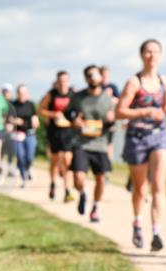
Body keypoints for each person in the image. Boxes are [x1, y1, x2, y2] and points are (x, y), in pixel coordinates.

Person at [115, 39, 166, 251]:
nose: (152, 56)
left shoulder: (165, 81)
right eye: (148, 52)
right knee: (140, 188)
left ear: (161, 55)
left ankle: (157, 232)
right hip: (136, 136)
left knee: (159, 185)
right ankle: (138, 223)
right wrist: (145, 111)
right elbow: (119, 112)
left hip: (159, 135)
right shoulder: (134, 82)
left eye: (156, 52)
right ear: (142, 55)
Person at [67, 65, 115, 221]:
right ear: (86, 78)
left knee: (101, 178)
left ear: (101, 77)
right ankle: (82, 193)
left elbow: (114, 122)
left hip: (100, 144)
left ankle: (95, 207)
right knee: (78, 178)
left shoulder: (108, 100)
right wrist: (74, 120)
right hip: (81, 143)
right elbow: (68, 112)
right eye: (89, 75)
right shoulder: (78, 97)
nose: (92, 78)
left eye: (95, 75)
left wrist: (110, 121)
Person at [38, 71, 75, 202]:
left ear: (68, 81)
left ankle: (67, 190)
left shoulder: (72, 94)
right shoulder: (51, 94)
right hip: (54, 132)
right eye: (61, 81)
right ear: (57, 82)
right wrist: (54, 115)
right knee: (55, 160)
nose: (63, 83)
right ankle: (53, 183)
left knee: (67, 160)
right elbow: (40, 110)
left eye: (65, 80)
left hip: (69, 132)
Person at [9, 84, 39, 187]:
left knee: (29, 157)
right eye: (20, 93)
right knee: (20, 156)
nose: (22, 95)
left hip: (30, 134)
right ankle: (23, 178)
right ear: (17, 94)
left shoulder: (31, 104)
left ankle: (28, 168)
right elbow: (8, 118)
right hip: (17, 134)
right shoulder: (13, 105)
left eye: (24, 93)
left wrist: (36, 121)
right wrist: (14, 121)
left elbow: (35, 117)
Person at [100, 65, 121, 171]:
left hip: (110, 120)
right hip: (97, 120)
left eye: (106, 75)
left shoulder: (113, 87)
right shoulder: (96, 87)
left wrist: (109, 98)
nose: (105, 77)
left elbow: (120, 101)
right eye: (103, 75)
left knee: (109, 143)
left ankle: (107, 167)